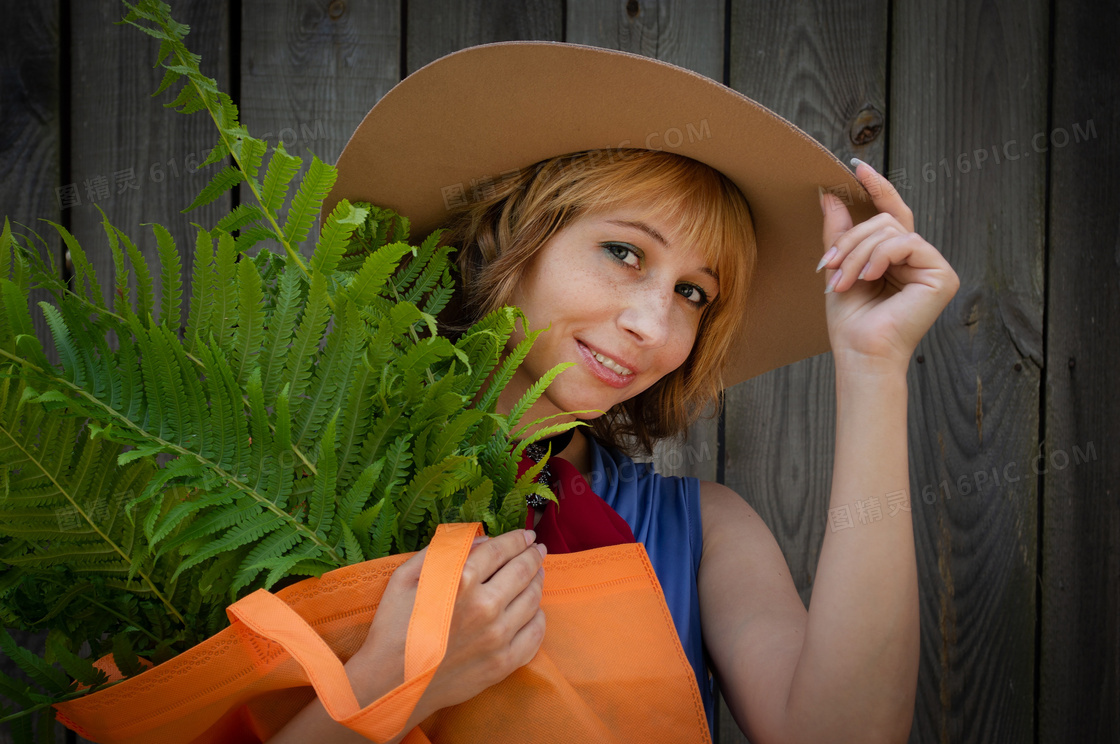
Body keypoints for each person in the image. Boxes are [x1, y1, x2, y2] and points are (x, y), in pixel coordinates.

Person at [272, 42, 960, 744]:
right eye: (625, 253)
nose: (651, 324)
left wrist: (873, 366)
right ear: (504, 236)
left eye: (693, 293)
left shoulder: (706, 536)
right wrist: (399, 678)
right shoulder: (282, 482)